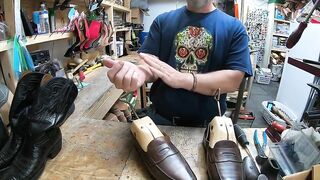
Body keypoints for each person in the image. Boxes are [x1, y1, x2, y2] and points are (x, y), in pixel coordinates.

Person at [103, 0, 253, 127]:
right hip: (160, 121)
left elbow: (234, 80)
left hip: (208, 126)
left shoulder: (234, 28)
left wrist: (182, 79)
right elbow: (151, 65)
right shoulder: (162, 21)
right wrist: (138, 73)